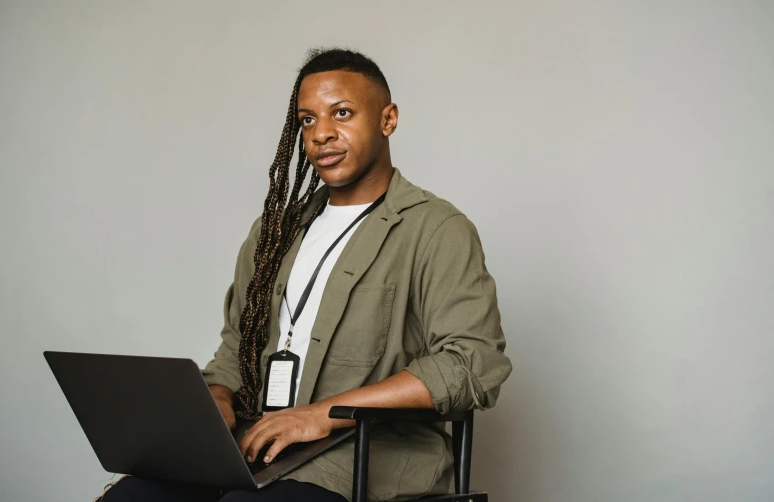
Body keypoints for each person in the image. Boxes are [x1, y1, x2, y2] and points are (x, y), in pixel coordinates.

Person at [100, 48, 511, 502]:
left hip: (363, 456)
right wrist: (216, 400)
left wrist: (321, 414)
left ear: (387, 119)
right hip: (261, 444)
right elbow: (236, 349)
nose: (322, 134)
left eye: (342, 113)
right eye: (307, 120)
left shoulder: (435, 229)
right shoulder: (274, 232)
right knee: (130, 498)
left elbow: (471, 363)